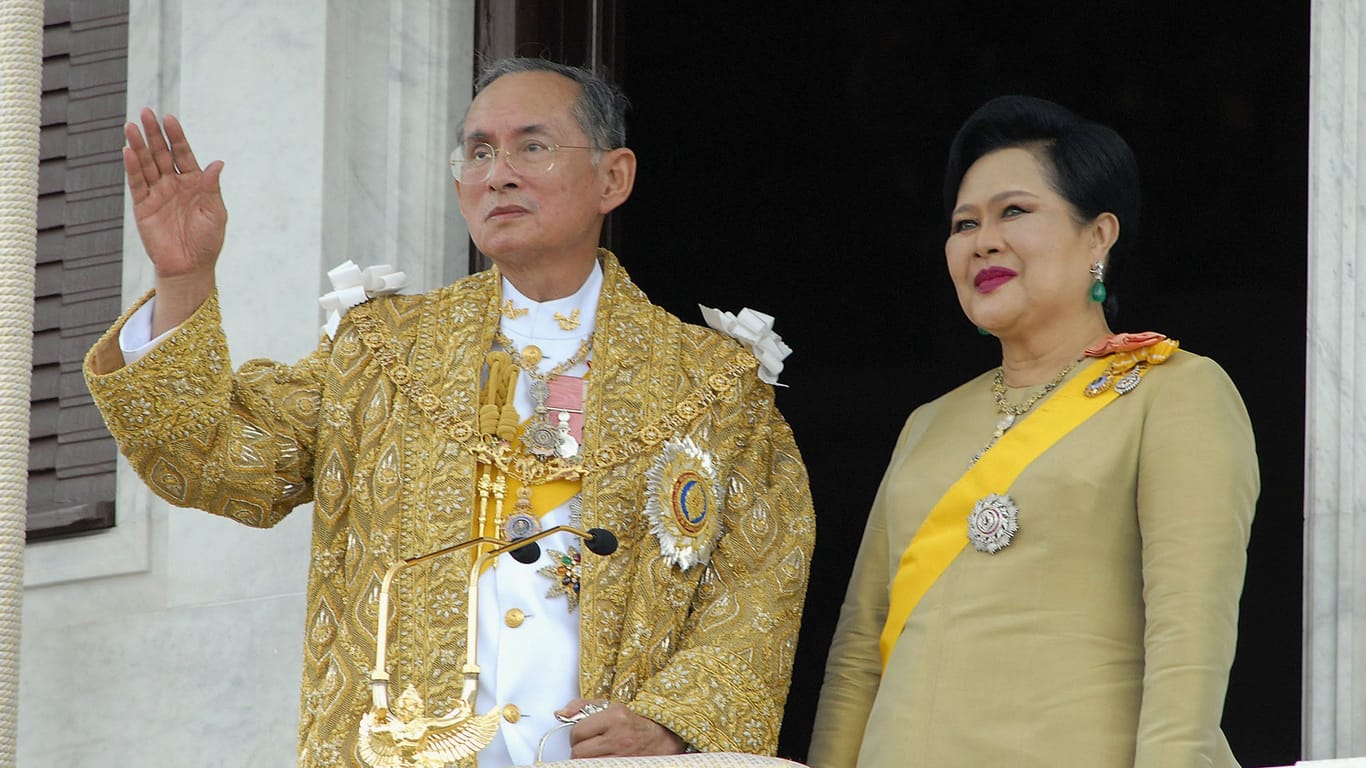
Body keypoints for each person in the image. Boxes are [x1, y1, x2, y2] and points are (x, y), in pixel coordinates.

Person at [84, 57, 815, 767]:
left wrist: (670, 724)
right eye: (478, 151)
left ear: (612, 177)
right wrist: (184, 279)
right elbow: (212, 460)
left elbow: (761, 579)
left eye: (532, 145)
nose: (498, 172)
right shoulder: (380, 351)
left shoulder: (712, 383)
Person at [808, 95, 1258, 768]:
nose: (984, 239)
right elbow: (856, 659)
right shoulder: (927, 425)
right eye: (965, 223)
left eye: (1014, 211)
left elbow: (1187, 643)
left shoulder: (1175, 391)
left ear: (1099, 235)